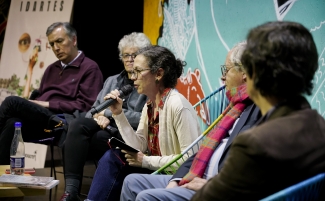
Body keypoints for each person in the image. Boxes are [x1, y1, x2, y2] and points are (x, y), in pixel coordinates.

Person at [125, 21, 325, 201]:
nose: (223, 78)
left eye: (228, 70)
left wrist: (207, 184)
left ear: (252, 73)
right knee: (134, 184)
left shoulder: (256, 142)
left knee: (146, 198)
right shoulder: (318, 125)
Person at [120, 41, 261, 201]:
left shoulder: (259, 111)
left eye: (226, 70)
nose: (133, 77)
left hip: (215, 185)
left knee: (146, 196)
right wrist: (118, 114)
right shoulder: (234, 109)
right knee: (131, 181)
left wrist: (213, 184)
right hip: (193, 174)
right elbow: (200, 153)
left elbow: (256, 169)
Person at [85, 45, 202, 201]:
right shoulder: (150, 104)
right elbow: (139, 146)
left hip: (174, 178)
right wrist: (118, 114)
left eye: (138, 71)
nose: (133, 77)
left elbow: (189, 160)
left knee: (114, 161)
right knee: (113, 157)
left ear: (158, 74)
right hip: (157, 169)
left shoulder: (177, 105)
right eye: (133, 72)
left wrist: (145, 161)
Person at [59, 32, 151, 201]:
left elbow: (143, 119)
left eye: (135, 54)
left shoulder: (147, 83)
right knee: (78, 125)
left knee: (71, 143)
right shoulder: (111, 81)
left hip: (129, 136)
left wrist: (110, 114)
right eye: (126, 55)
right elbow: (92, 112)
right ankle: (71, 192)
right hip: (103, 130)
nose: (130, 59)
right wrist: (99, 118)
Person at [0, 22, 103, 165]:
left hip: (62, 121)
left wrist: (47, 104)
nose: (56, 48)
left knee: (11, 102)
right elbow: (40, 96)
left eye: (59, 41)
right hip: (41, 119)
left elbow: (86, 106)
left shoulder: (90, 68)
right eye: (52, 44)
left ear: (74, 40)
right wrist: (33, 103)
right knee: (12, 123)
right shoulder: (51, 69)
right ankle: (3, 176)